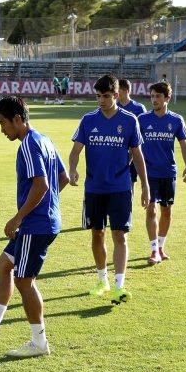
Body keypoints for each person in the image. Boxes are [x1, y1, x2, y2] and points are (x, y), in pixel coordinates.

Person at [0, 96, 69, 357]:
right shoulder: (45, 140)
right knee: (4, 264)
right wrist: (48, 205)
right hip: (44, 221)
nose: (2, 129)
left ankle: (39, 342)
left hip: (36, 225)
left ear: (17, 119)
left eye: (3, 123)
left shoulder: (28, 145)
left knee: (25, 281)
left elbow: (42, 185)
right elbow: (64, 177)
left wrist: (19, 217)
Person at [68, 73, 149, 305]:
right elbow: (75, 151)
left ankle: (119, 286)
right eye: (98, 96)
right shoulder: (88, 120)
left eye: (105, 96)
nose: (101, 100)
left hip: (121, 188)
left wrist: (145, 186)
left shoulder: (130, 120)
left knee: (119, 235)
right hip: (94, 188)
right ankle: (102, 279)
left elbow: (138, 156)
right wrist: (73, 169)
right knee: (97, 233)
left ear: (116, 95)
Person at [138, 81, 186, 264]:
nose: (154, 99)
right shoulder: (143, 120)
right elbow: (133, 147)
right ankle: (153, 250)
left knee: (166, 211)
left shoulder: (176, 120)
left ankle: (161, 246)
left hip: (168, 172)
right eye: (152, 96)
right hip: (149, 173)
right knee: (151, 209)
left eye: (158, 96)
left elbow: (184, 144)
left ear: (167, 98)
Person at [118, 78, 147, 192]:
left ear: (126, 90)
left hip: (133, 152)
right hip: (117, 151)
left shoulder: (139, 108)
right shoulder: (114, 107)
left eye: (118, 90)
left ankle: (128, 208)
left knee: (130, 184)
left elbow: (143, 132)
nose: (116, 93)